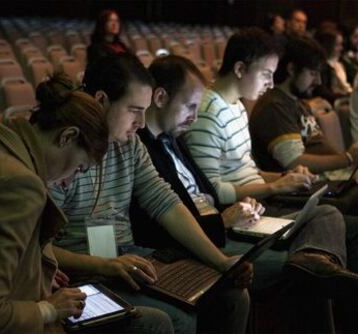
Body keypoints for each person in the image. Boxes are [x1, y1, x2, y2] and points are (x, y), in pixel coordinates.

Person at [0, 74, 174, 334]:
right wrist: (50, 309)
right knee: (155, 323)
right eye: (78, 168)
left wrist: (36, 270)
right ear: (67, 137)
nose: (67, 182)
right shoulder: (21, 186)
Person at [50, 54, 252, 334]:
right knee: (176, 319)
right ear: (101, 100)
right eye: (134, 110)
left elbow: (165, 203)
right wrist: (105, 264)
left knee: (231, 295)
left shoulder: (129, 144)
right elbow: (38, 247)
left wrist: (220, 260)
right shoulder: (66, 152)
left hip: (128, 260)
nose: (142, 123)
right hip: (83, 272)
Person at [132, 54, 358, 305]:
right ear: (161, 98)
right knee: (305, 276)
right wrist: (225, 220)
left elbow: (208, 194)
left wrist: (243, 206)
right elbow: (165, 221)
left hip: (227, 224)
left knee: (325, 214)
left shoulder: (173, 137)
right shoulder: (143, 148)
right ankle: (312, 266)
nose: (194, 117)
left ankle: (312, 259)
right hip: (211, 240)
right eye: (190, 107)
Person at [183, 27, 314, 205]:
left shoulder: (237, 105)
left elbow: (247, 173)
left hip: (260, 200)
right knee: (328, 214)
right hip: (242, 210)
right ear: (240, 69)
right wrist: (274, 187)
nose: (271, 84)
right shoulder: (208, 115)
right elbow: (211, 191)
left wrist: (286, 178)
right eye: (266, 75)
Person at [250, 35, 358, 176]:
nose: (318, 81)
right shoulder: (275, 106)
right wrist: (347, 158)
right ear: (292, 69)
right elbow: (294, 161)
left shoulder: (294, 101)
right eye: (313, 74)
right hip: (313, 190)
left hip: (336, 177)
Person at [314, 27, 353, 102]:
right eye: (337, 45)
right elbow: (323, 93)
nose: (341, 48)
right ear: (327, 45)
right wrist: (347, 96)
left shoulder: (341, 60)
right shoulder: (321, 66)